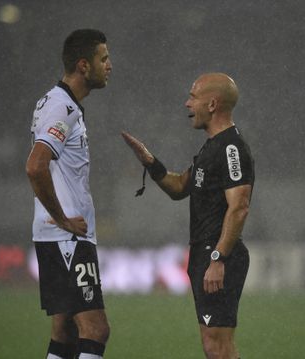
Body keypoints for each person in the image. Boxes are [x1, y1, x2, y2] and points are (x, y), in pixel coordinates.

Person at [122, 73, 254, 359]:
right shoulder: (211, 147)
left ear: (213, 103)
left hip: (218, 255)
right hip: (205, 254)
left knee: (218, 346)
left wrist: (218, 258)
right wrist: (151, 162)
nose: (187, 103)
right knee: (213, 346)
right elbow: (180, 187)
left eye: (193, 97)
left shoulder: (230, 148)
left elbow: (240, 206)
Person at [26, 29, 112, 359]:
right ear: (83, 65)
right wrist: (61, 219)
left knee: (65, 332)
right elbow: (35, 166)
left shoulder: (58, 102)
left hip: (63, 235)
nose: (109, 65)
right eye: (103, 58)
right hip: (67, 238)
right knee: (96, 328)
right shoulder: (62, 108)